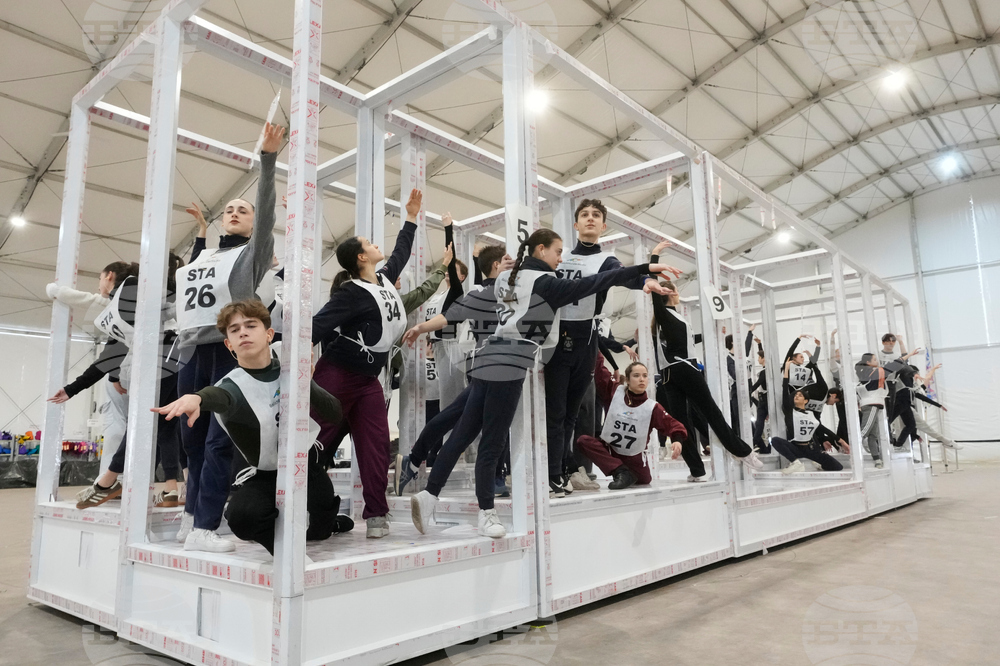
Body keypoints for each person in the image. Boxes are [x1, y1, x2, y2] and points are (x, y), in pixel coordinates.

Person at [405, 229, 675, 538]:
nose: (561, 257)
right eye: (557, 251)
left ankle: (429, 495)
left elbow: (464, 308)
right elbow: (594, 283)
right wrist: (642, 270)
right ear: (541, 250)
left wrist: (422, 327)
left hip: (486, 358)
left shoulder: (508, 277)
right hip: (510, 363)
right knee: (492, 442)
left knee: (463, 434)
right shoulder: (544, 283)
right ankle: (486, 513)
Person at [153, 300, 352, 554]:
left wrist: (305, 382)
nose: (243, 332)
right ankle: (284, 549)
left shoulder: (288, 359)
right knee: (242, 517)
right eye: (234, 330)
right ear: (229, 344)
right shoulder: (232, 385)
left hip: (306, 466)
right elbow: (218, 395)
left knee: (318, 532)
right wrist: (197, 398)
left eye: (250, 325)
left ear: (269, 334)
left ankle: (328, 523)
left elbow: (334, 413)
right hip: (264, 473)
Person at [174, 122, 284, 550]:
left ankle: (204, 526)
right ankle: (193, 516)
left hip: (226, 353)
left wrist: (268, 160)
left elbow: (268, 213)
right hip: (191, 353)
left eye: (244, 209)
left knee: (220, 440)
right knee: (192, 441)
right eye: (230, 209)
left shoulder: (249, 256)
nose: (235, 212)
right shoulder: (203, 258)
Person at [544, 199, 674, 496]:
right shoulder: (559, 257)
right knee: (554, 412)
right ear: (575, 225)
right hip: (555, 340)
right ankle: (552, 473)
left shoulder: (607, 259)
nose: (590, 219)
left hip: (587, 342)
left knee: (572, 415)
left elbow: (623, 276)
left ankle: (567, 469)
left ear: (603, 226)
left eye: (596, 216)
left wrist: (645, 282)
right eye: (585, 215)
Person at [311, 189, 422, 538]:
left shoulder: (385, 281)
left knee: (375, 444)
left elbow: (401, 253)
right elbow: (315, 326)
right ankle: (298, 505)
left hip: (369, 380)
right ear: (362, 257)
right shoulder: (350, 292)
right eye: (370, 242)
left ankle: (376, 514)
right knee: (315, 442)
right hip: (336, 376)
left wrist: (412, 218)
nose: (377, 244)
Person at [58, 259, 186, 510]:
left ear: (109, 276)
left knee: (143, 423)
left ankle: (108, 480)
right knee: (165, 425)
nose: (99, 286)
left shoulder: (129, 293)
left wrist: (78, 387)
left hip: (162, 363)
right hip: (177, 359)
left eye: (99, 278)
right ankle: (172, 488)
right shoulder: (132, 297)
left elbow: (111, 354)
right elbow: (113, 353)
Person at [394, 244, 512, 495]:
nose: (512, 263)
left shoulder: (508, 290)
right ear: (496, 266)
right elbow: (450, 315)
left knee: (455, 417)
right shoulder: (481, 293)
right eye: (506, 260)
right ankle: (489, 482)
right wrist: (421, 328)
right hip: (485, 367)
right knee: (469, 423)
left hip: (489, 367)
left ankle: (417, 465)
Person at [649, 242, 764, 483]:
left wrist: (714, 335)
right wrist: (655, 255)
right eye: (674, 290)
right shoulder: (663, 316)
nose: (677, 292)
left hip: (674, 374)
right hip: (681, 371)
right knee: (702, 416)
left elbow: (690, 341)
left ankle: (710, 464)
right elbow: (654, 286)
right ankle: (728, 457)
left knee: (693, 419)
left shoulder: (677, 320)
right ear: (668, 293)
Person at [574, 358, 687, 490]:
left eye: (645, 376)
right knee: (583, 441)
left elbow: (673, 425)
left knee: (644, 480)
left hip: (634, 457)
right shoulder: (614, 391)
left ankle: (624, 472)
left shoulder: (652, 407)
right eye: (636, 375)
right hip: (610, 450)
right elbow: (600, 370)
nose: (641, 379)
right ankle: (620, 471)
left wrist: (677, 440)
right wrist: (594, 345)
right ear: (627, 379)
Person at [771, 358, 850, 474]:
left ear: (806, 400)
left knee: (837, 467)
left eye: (800, 395)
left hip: (810, 448)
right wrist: (786, 370)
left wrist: (841, 441)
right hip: (795, 447)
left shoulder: (810, 414)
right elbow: (784, 388)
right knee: (775, 440)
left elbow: (822, 429)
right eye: (795, 396)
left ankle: (818, 463)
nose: (796, 396)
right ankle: (795, 463)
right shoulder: (789, 411)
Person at [856, 353, 887, 469]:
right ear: (868, 362)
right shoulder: (872, 372)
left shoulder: (862, 371)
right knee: (865, 430)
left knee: (873, 434)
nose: (877, 361)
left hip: (869, 403)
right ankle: (855, 447)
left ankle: (876, 458)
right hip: (872, 403)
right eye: (874, 359)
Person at [725, 326, 755, 437]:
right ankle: (740, 440)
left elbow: (747, 347)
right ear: (733, 343)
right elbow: (734, 375)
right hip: (737, 390)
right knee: (738, 418)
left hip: (747, 388)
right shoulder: (729, 359)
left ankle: (754, 440)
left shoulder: (741, 356)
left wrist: (750, 332)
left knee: (748, 416)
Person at [749, 345, 769, 453]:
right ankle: (760, 445)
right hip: (762, 400)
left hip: (765, 400)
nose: (758, 359)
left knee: (760, 424)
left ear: (763, 358)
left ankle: (757, 443)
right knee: (759, 424)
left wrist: (748, 391)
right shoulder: (764, 371)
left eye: (759, 357)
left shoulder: (765, 372)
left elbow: (758, 383)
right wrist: (760, 344)